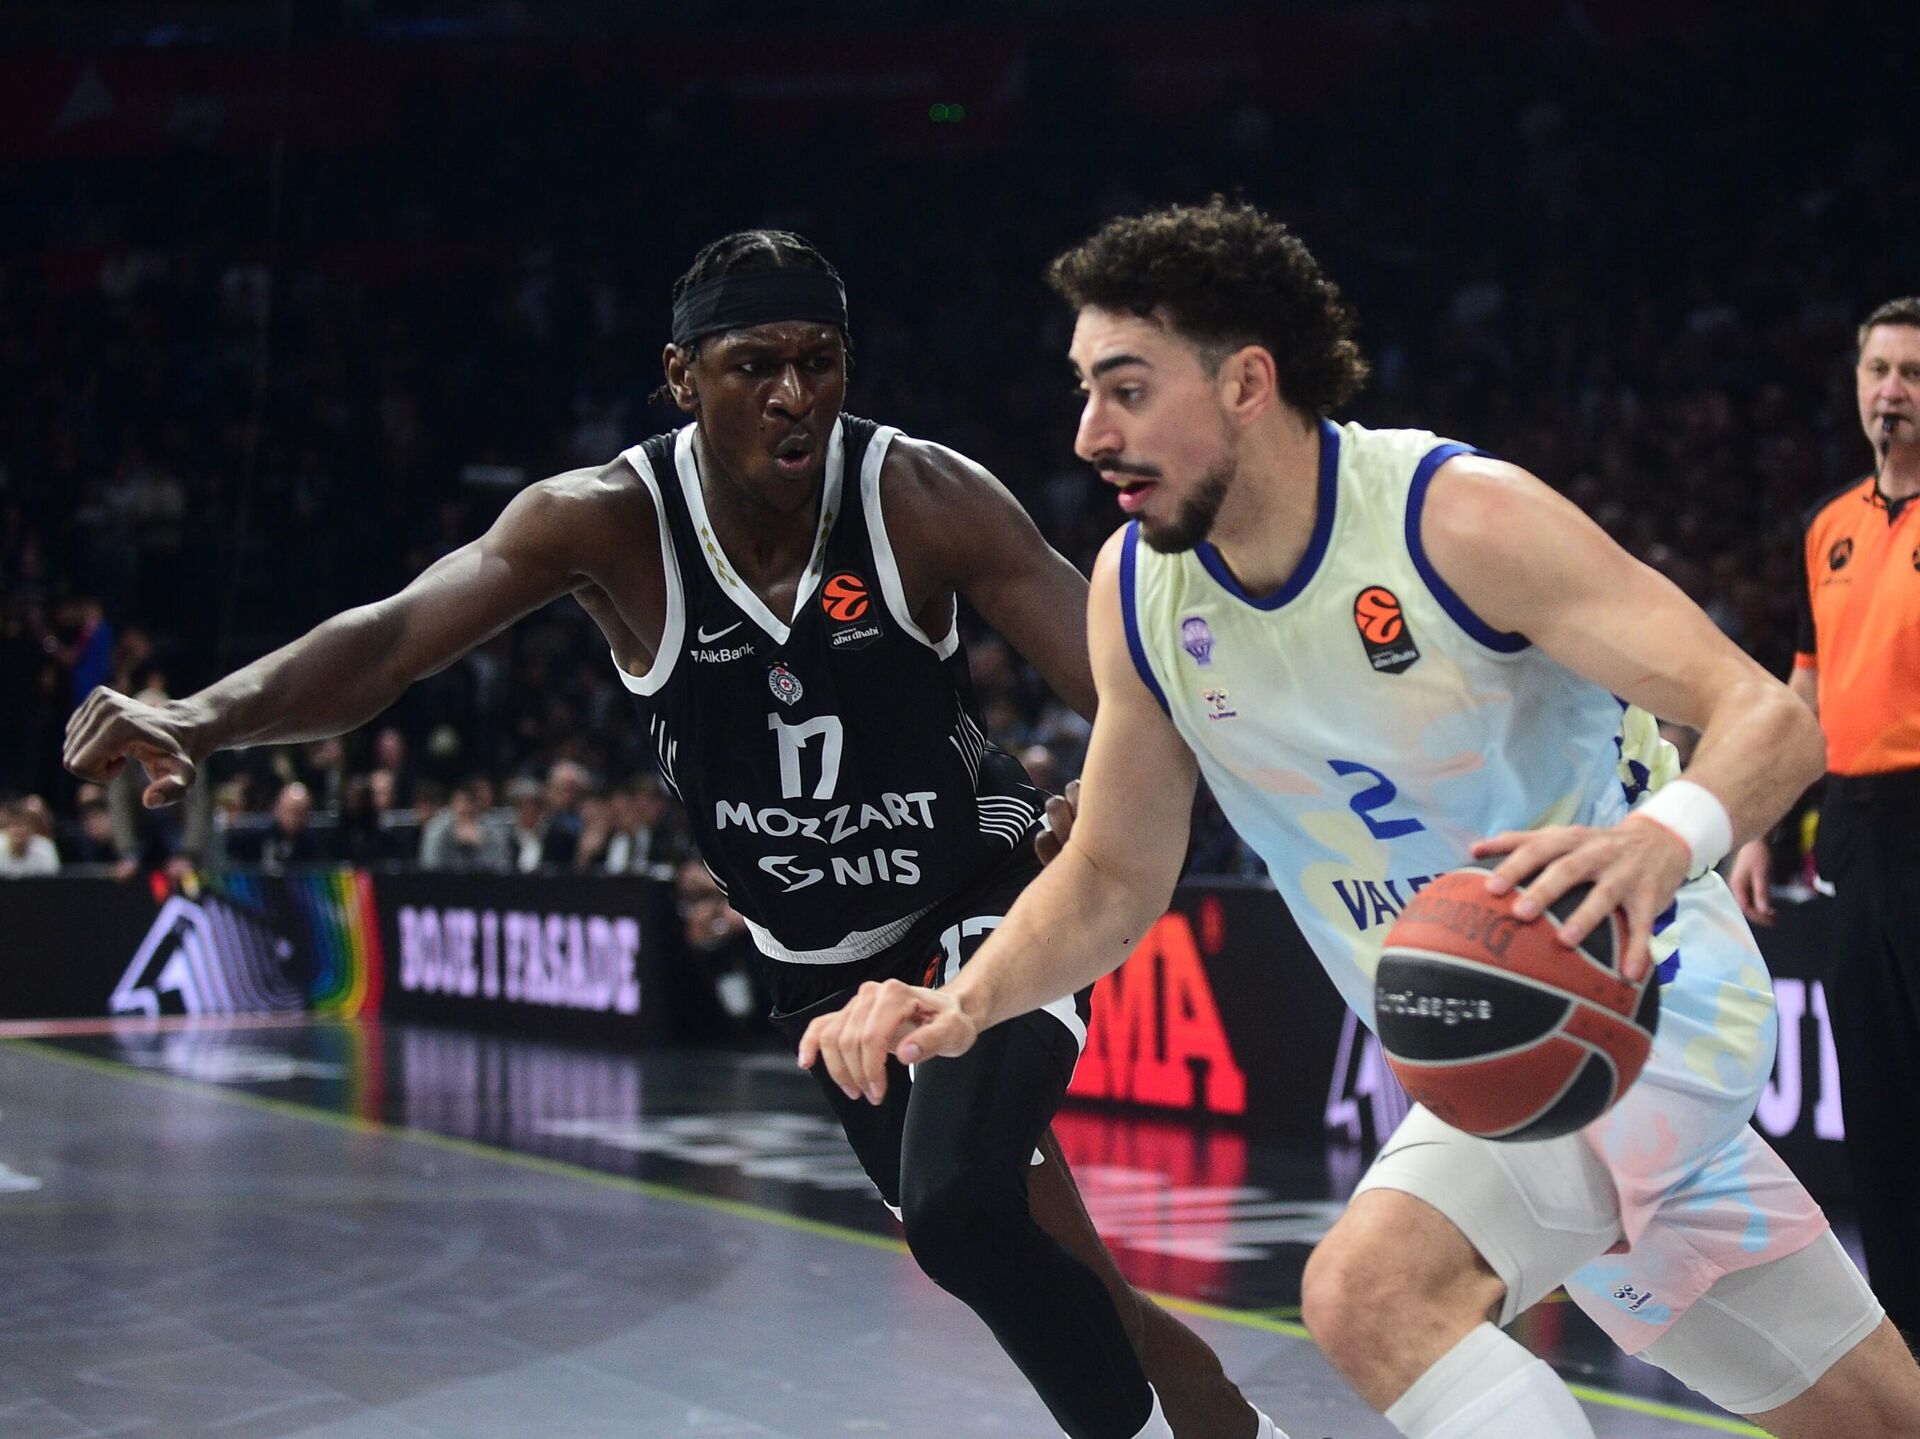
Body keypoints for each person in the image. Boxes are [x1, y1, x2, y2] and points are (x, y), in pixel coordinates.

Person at [64, 228, 1277, 1439]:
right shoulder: (602, 522)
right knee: (1055, 1275)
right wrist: (202, 716)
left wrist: (1104, 799)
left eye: (820, 361)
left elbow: (1127, 685)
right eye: (756, 365)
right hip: (817, 968)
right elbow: (390, 642)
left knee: (959, 1208)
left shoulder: (920, 497)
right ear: (682, 375)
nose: (795, 395)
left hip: (980, 901)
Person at [800, 201, 1920, 1438]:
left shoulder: (1456, 517)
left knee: (1373, 1291)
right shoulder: (1139, 592)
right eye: (1085, 391)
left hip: (1641, 996)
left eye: (1127, 389)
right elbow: (1115, 873)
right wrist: (964, 1002)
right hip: (1493, 1049)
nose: (1090, 433)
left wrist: (1660, 843)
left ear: (1247, 382)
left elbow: (1770, 717)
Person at [1731, 295, 1920, 1336]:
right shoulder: (1828, 526)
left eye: (1912, 374)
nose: (1891, 391)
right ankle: (1908, 1345)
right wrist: (1762, 821)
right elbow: (1805, 694)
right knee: (1880, 1104)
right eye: (1878, 370)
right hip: (1851, 824)